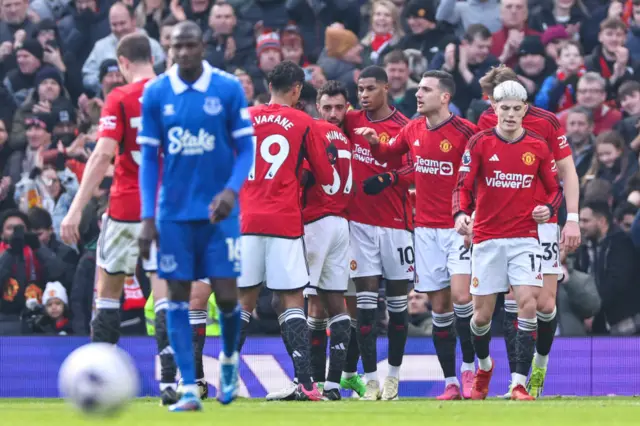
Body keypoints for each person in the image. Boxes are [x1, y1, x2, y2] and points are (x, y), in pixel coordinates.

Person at [137, 20, 254, 411]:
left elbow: (245, 152)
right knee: (177, 299)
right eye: (176, 46)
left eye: (190, 45)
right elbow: (149, 162)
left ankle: (229, 361)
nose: (183, 52)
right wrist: (147, 216)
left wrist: (230, 191)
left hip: (218, 214)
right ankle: (189, 387)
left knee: (226, 297)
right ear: (168, 49)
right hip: (173, 214)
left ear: (202, 46)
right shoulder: (156, 93)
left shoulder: (226, 88)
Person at [58, 33, 179, 406]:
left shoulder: (121, 97)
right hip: (167, 210)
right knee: (165, 297)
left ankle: (98, 375)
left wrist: (76, 208)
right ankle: (171, 383)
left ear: (122, 62)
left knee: (108, 293)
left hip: (127, 208)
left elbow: (102, 155)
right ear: (153, 58)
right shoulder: (176, 94)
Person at [360, 70, 478, 400]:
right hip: (424, 231)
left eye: (426, 89)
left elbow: (480, 176)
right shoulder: (412, 128)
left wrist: (473, 215)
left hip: (457, 227)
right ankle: (451, 382)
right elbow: (391, 153)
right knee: (439, 308)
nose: (418, 94)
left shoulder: (466, 133)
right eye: (419, 89)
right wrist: (374, 143)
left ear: (445, 97)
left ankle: (471, 369)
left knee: (462, 298)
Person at [453, 80, 563, 401]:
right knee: (481, 317)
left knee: (527, 303)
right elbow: (463, 185)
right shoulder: (479, 143)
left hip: (525, 238)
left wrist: (548, 208)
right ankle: (485, 366)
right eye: (505, 108)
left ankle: (518, 383)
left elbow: (554, 189)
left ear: (525, 110)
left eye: (517, 108)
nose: (511, 114)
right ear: (494, 109)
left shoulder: (539, 146)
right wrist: (462, 214)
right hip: (487, 238)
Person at [477, 65, 581, 398]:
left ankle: (540, 363)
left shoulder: (546, 122)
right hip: (503, 227)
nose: (501, 109)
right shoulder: (485, 124)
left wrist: (573, 218)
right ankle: (516, 380)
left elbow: (568, 172)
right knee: (517, 301)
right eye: (495, 102)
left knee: (545, 304)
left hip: (544, 222)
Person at [236, 60, 334, 402]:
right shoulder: (304, 122)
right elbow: (324, 176)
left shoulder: (244, 116)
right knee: (291, 299)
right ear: (296, 89)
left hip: (246, 219)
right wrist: (301, 169)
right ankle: (306, 383)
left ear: (268, 86)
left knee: (243, 300)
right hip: (283, 220)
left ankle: (225, 378)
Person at [346, 65, 413, 401]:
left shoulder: (404, 126)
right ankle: (370, 379)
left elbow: (419, 168)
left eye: (370, 88)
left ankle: (394, 378)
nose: (363, 95)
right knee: (366, 306)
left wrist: (390, 179)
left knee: (399, 307)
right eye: (359, 89)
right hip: (358, 225)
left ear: (386, 88)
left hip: (397, 226)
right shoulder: (351, 120)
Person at [303, 81, 366, 399]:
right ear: (317, 105)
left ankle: (310, 383)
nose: (333, 113)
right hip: (341, 224)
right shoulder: (344, 136)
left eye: (339, 107)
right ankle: (329, 386)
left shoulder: (313, 130)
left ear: (348, 108)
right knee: (332, 303)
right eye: (327, 107)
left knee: (313, 303)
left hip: (318, 221)